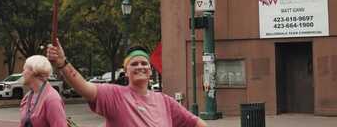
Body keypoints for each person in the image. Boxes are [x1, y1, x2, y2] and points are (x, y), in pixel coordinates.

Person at [47, 40, 207, 127]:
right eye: (134, 64)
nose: (140, 67)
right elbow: (84, 87)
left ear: (150, 70)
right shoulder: (115, 95)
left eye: (144, 63)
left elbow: (195, 122)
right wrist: (62, 63)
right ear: (126, 70)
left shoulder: (165, 102)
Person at [19, 55, 67, 127]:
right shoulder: (27, 98)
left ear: (33, 71)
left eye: (24, 69)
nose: (22, 73)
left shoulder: (52, 99)